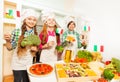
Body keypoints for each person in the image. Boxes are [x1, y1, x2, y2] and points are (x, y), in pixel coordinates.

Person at [4, 9, 39, 82]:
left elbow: (35, 50)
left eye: (34, 20)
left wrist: (35, 49)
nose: (32, 21)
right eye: (29, 19)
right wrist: (8, 41)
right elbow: (10, 48)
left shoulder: (35, 34)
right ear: (24, 20)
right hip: (17, 64)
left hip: (29, 64)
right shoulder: (17, 31)